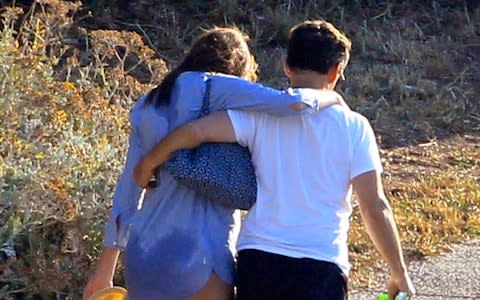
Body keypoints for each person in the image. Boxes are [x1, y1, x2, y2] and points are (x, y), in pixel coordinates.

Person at [134, 20, 416, 300]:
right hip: (321, 263)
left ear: (286, 66)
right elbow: (374, 206)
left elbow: (194, 132)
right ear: (336, 71)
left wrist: (149, 161)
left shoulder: (260, 115)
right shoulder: (354, 126)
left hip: (258, 260)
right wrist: (398, 272)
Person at [83, 26, 343, 300]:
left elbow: (128, 192)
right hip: (202, 256)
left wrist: (104, 270)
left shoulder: (148, 103)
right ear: (236, 66)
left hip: (145, 255)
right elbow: (292, 104)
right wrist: (331, 96)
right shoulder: (217, 87)